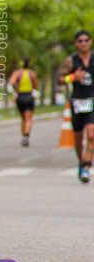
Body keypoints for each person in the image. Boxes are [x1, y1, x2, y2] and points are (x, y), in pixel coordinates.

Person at [59, 30, 94, 183]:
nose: (83, 43)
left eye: (86, 40)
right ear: (76, 43)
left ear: (90, 42)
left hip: (92, 101)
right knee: (78, 140)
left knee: (91, 135)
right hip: (77, 103)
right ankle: (81, 162)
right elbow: (59, 79)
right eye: (80, 41)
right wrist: (72, 77)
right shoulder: (71, 60)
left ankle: (87, 167)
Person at [8, 57, 38, 147]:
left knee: (23, 118)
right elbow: (36, 86)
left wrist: (16, 89)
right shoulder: (32, 74)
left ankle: (24, 136)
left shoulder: (17, 73)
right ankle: (26, 135)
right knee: (28, 118)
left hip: (20, 96)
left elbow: (12, 82)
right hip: (29, 96)